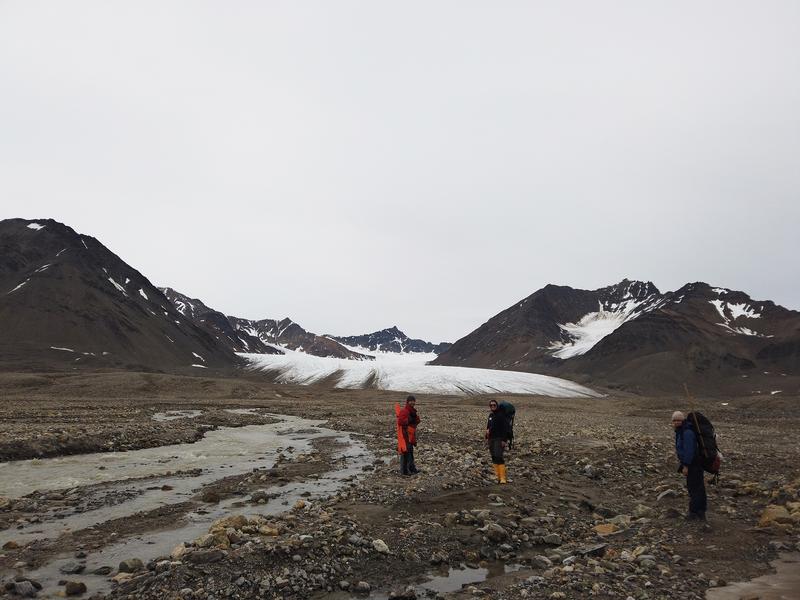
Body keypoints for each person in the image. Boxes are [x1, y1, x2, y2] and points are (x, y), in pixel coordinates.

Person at [672, 410, 707, 521]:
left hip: (693, 465)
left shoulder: (687, 432)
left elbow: (689, 450)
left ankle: (694, 513)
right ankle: (701, 512)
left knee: (694, 488)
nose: (677, 422)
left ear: (683, 420)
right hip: (695, 464)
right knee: (698, 487)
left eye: (679, 420)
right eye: (675, 420)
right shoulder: (682, 431)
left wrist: (686, 465)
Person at [486, 399, 510, 484]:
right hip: (491, 439)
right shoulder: (491, 415)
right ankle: (497, 476)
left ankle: (502, 478)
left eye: (494, 405)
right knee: (493, 456)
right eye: (491, 405)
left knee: (499, 456)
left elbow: (505, 428)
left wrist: (504, 440)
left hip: (499, 438)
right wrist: (487, 437)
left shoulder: (501, 415)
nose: (492, 406)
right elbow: (488, 427)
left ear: (497, 406)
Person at [397, 395, 421, 475]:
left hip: (410, 434)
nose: (412, 402)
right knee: (406, 452)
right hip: (405, 435)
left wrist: (416, 420)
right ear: (407, 402)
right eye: (411, 401)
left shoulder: (412, 411)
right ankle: (404, 471)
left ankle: (412, 468)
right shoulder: (405, 411)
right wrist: (408, 420)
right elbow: (400, 422)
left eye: (413, 401)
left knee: (410, 452)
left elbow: (415, 421)